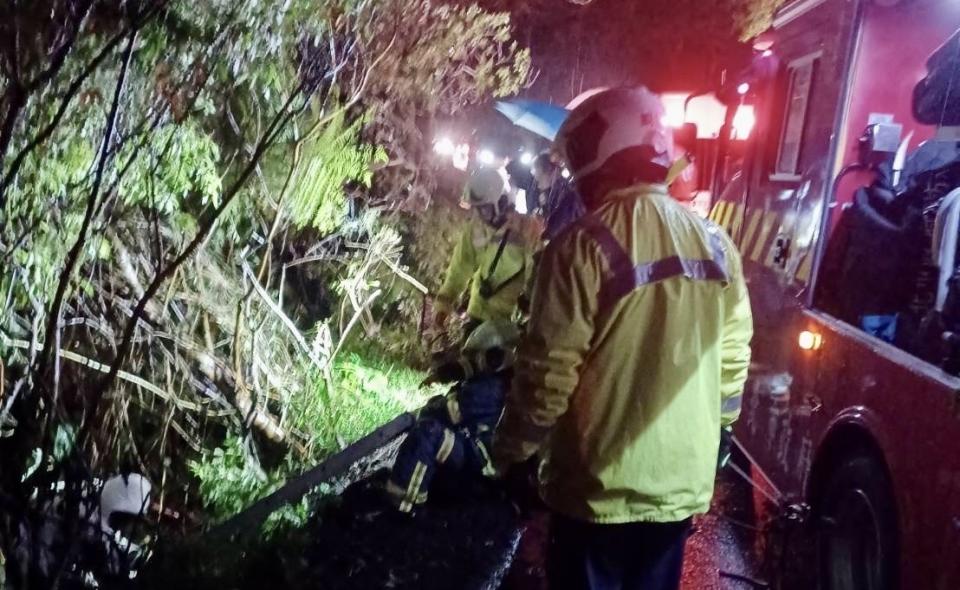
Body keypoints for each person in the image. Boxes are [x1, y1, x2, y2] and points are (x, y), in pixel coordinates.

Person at [491, 87, 754, 590]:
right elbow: (733, 357)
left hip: (597, 490)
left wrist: (510, 453)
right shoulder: (718, 245)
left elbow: (548, 374)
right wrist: (719, 433)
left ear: (604, 153)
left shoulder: (579, 247)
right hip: (679, 487)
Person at [386, 321, 520, 513]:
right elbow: (468, 367)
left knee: (428, 432)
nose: (474, 360)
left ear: (497, 358)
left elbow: (448, 412)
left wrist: (432, 405)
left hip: (482, 462)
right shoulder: (501, 378)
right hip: (479, 452)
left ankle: (405, 505)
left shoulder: (490, 388)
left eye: (480, 356)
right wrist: (441, 375)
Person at [434, 167, 540, 334]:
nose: (480, 215)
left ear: (502, 202)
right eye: (477, 208)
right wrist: (444, 304)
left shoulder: (527, 231)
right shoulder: (475, 228)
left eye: (484, 209)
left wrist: (529, 309)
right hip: (476, 316)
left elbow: (535, 276)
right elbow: (460, 267)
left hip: (509, 326)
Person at [531, 152, 586, 241]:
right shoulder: (537, 189)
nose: (532, 172)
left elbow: (558, 224)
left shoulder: (565, 193)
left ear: (543, 170)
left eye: (535, 169)